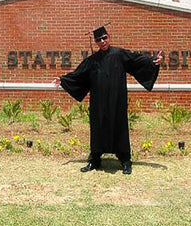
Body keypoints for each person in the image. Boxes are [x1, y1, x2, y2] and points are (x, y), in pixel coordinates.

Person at [53, 26, 163, 174]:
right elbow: (79, 74)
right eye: (99, 39)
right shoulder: (92, 60)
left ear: (109, 37)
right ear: (96, 42)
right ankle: (94, 160)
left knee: (120, 127)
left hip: (117, 99)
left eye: (104, 38)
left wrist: (153, 61)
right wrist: (63, 80)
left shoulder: (119, 54)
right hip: (99, 102)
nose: (102, 41)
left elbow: (136, 60)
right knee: (98, 128)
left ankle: (125, 161)